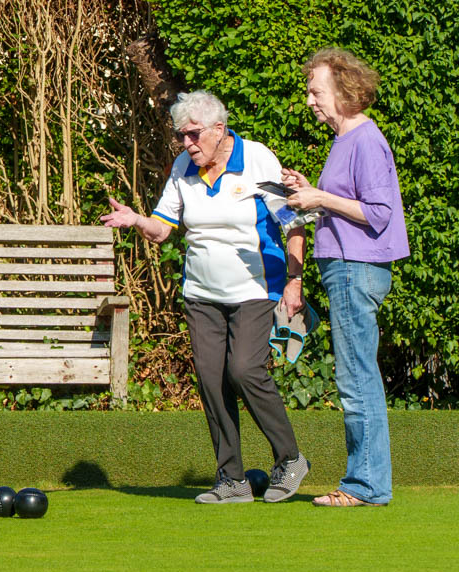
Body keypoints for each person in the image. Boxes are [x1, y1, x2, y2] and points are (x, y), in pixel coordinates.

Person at [102, 91, 310, 504]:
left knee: (244, 370)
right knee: (212, 380)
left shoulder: (256, 159)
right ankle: (231, 479)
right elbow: (162, 229)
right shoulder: (183, 167)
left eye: (194, 134)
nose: (187, 143)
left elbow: (294, 221)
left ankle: (290, 459)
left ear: (219, 129)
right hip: (201, 294)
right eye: (181, 135)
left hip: (255, 289)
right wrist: (136, 219)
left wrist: (295, 280)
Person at [282, 48, 410, 507]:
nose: (310, 101)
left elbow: (379, 213)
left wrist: (319, 198)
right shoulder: (345, 141)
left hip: (356, 269)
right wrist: (310, 192)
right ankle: (367, 483)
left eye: (316, 91)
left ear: (344, 90)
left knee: (357, 379)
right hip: (345, 268)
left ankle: (366, 486)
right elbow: (346, 204)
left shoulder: (365, 140)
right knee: (356, 375)